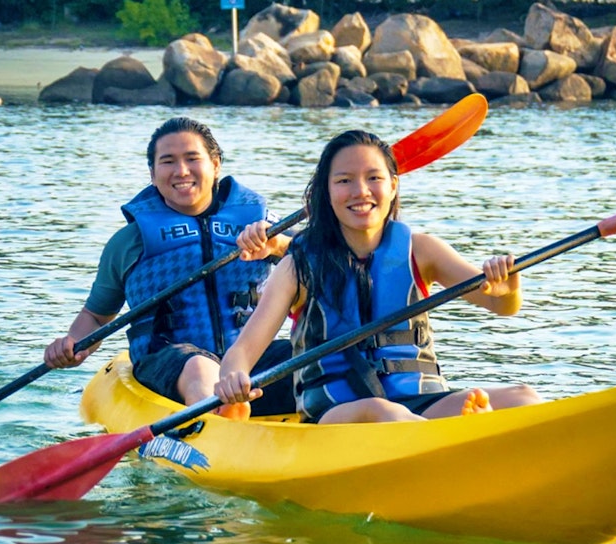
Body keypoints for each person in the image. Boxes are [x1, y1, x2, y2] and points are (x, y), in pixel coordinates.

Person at [214, 130, 541, 424]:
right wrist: (233, 378)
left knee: (522, 398)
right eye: (344, 181)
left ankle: (463, 434)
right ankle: (460, 437)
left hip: (418, 401)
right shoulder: (297, 266)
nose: (360, 191)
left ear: (393, 185)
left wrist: (508, 287)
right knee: (383, 412)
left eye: (374, 178)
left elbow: (502, 306)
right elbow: (242, 352)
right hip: (338, 413)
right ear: (327, 193)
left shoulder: (422, 250)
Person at [44, 116, 294, 420]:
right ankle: (219, 420)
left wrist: (279, 245)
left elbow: (322, 261)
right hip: (169, 361)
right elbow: (96, 316)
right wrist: (73, 344)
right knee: (201, 368)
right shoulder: (129, 242)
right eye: (168, 161)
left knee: (318, 354)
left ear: (215, 165)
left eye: (192, 158)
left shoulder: (263, 225)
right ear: (153, 174)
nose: (181, 171)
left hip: (249, 361)